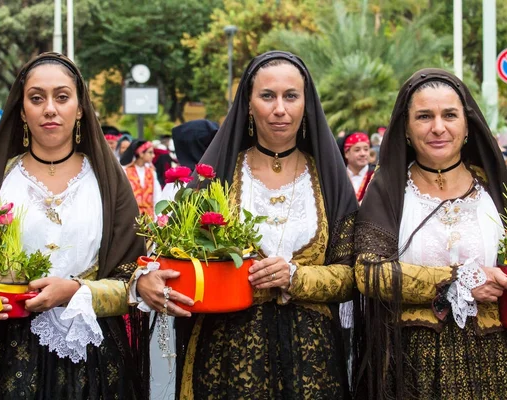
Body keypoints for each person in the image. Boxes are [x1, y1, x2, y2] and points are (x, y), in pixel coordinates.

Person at [134, 51, 358, 399]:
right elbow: (167, 252)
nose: (279, 109)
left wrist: (296, 277)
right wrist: (148, 279)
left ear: (306, 104)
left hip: (312, 361)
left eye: (291, 96)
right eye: (267, 96)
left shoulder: (328, 180)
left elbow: (349, 276)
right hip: (226, 357)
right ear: (249, 105)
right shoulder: (218, 176)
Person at [0, 52, 149, 399]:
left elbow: (134, 280)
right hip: (8, 356)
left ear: (79, 109)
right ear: (21, 111)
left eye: (62, 97)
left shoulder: (107, 182)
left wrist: (76, 291)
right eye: (36, 98)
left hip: (94, 353)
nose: (49, 108)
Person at [352, 69, 507, 399]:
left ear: (467, 125)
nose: (438, 127)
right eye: (424, 116)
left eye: (450, 115)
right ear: (406, 129)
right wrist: (460, 279)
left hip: (498, 361)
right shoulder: (388, 189)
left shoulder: (494, 188)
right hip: (414, 367)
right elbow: (368, 272)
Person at [120, 139, 162, 218]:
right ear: (141, 153)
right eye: (150, 152)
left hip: (149, 218)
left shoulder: (152, 172)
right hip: (132, 217)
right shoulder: (126, 172)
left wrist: (158, 217)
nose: (153, 155)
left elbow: (157, 196)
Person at [343, 132, 374, 202]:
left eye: (366, 149)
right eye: (357, 150)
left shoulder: (376, 176)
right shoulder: (339, 177)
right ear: (346, 153)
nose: (363, 154)